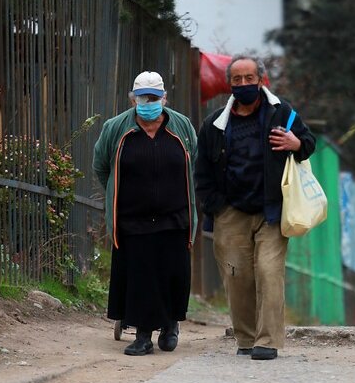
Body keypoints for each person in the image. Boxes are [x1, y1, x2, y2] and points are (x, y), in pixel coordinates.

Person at [195, 55, 316, 361]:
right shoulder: (214, 125)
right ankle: (246, 338)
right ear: (229, 84)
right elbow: (202, 172)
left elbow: (309, 142)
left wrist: (296, 144)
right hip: (231, 211)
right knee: (237, 276)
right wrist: (216, 206)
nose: (244, 84)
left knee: (268, 271)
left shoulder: (282, 112)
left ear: (261, 79)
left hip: (271, 210)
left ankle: (268, 341)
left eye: (250, 78)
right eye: (237, 79)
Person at [92, 71, 198, 356]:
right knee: (140, 275)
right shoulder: (116, 128)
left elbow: (193, 162)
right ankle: (142, 335)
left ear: (164, 98)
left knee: (172, 272)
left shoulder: (182, 126)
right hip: (133, 218)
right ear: (133, 99)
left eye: (154, 97)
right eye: (143, 97)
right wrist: (117, 193)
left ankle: (171, 325)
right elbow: (101, 165)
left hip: (174, 216)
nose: (149, 102)